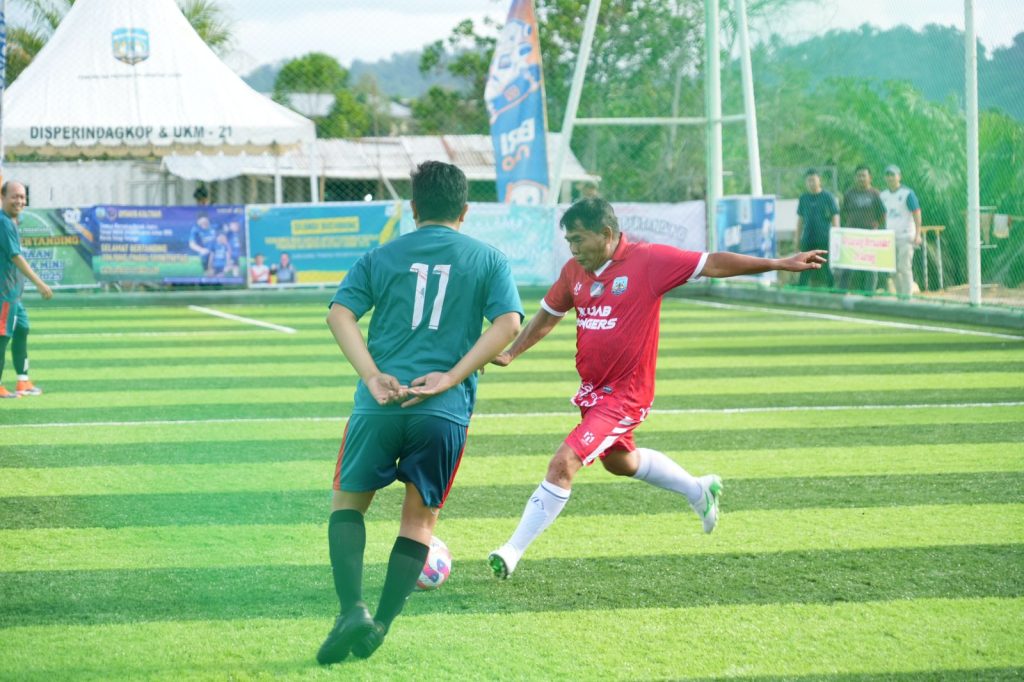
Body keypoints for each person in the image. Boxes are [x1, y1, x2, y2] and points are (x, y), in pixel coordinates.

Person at [486, 198, 826, 580]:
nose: (573, 248)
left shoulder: (648, 261)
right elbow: (549, 315)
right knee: (620, 462)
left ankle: (511, 550)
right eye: (569, 241)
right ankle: (699, 490)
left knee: (564, 463)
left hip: (626, 395)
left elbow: (711, 263)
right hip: (593, 392)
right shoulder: (573, 272)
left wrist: (778, 263)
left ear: (606, 234)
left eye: (579, 239)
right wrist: (512, 353)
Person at [317, 160, 523, 664]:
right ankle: (380, 625)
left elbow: (338, 314)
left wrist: (371, 374)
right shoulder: (489, 259)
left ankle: (352, 610)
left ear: (413, 209)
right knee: (418, 523)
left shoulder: (381, 255)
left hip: (380, 405)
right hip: (444, 411)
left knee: (348, 506)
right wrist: (452, 376)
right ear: (465, 210)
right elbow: (510, 324)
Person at [0, 181, 54, 399]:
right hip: (4, 293)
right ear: (2, 197)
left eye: (22, 197)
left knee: (22, 328)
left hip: (13, 293)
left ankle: (23, 381)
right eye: (15, 196)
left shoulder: (12, 220)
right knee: (3, 337)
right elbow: (15, 256)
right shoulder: (3, 222)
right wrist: (40, 283)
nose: (20, 201)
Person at [838, 165, 886, 292]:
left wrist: (876, 224)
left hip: (869, 236)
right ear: (855, 178)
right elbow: (844, 212)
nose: (861, 178)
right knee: (847, 265)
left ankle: (869, 294)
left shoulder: (875, 194)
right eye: (858, 176)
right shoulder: (849, 193)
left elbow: (883, 214)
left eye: (864, 176)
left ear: (870, 177)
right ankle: (841, 292)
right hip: (852, 236)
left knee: (871, 266)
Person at [879, 165, 922, 298]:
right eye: (888, 175)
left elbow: (916, 212)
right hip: (889, 238)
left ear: (899, 176)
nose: (890, 178)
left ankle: (907, 297)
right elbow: (883, 215)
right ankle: (900, 296)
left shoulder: (907, 194)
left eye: (893, 175)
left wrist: (918, 234)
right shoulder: (883, 195)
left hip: (906, 236)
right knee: (892, 270)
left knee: (904, 267)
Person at [795, 168, 840, 288]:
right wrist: (797, 240)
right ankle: (801, 291)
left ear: (819, 180)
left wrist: (836, 237)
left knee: (827, 267)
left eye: (813, 180)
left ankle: (832, 291)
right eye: (809, 181)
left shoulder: (828, 197)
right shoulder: (803, 198)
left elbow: (835, 217)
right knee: (804, 266)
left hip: (824, 238)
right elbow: (800, 221)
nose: (811, 183)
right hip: (808, 238)